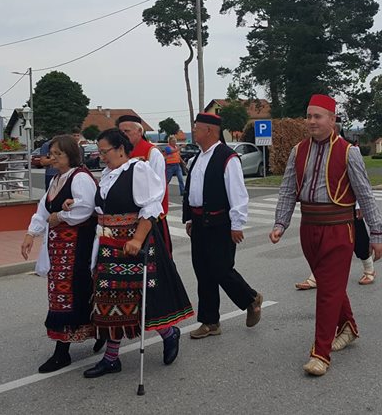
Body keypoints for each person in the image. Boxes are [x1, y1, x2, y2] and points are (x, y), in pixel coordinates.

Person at [269, 94, 382, 377]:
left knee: (327, 291)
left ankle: (320, 354)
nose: (311, 121)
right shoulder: (298, 151)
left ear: (332, 120)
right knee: (330, 285)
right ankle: (349, 327)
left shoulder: (348, 152)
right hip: (309, 227)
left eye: (317, 116)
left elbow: (365, 194)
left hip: (339, 228)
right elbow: (288, 189)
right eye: (308, 116)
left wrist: (376, 233)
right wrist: (280, 223)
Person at [83, 128, 193, 379]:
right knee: (111, 299)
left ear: (120, 149)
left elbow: (151, 206)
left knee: (140, 298)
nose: (101, 157)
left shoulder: (138, 170)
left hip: (133, 243)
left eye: (104, 151)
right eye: (99, 152)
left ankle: (169, 333)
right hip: (109, 246)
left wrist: (137, 239)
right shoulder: (108, 176)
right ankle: (111, 359)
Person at [21, 135, 103, 373]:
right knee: (60, 293)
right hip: (59, 248)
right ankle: (97, 333)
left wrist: (61, 216)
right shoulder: (57, 179)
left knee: (71, 293)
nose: (53, 158)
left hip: (77, 247)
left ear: (71, 155)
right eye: (52, 153)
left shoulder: (80, 178)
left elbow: (85, 208)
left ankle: (63, 351)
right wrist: (31, 234)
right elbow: (43, 209)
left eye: (59, 154)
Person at [183, 113, 262, 339]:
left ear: (209, 130)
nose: (194, 131)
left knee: (221, 269)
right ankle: (210, 322)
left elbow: (237, 193)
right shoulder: (197, 158)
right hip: (200, 222)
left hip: (220, 223)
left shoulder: (228, 158)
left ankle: (251, 299)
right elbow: (193, 191)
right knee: (203, 272)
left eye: (197, 128)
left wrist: (237, 224)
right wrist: (190, 219)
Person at [295, 125, 376, 289]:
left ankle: (369, 268)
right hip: (322, 210)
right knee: (321, 244)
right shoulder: (311, 150)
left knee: (359, 236)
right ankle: (317, 275)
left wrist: (359, 205)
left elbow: (361, 183)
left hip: (345, 204)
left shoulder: (349, 150)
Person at [117, 115, 171, 253]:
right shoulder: (120, 153)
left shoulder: (152, 153)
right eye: (120, 132)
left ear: (140, 131)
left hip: (149, 218)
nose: (123, 135)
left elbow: (158, 191)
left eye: (127, 131)